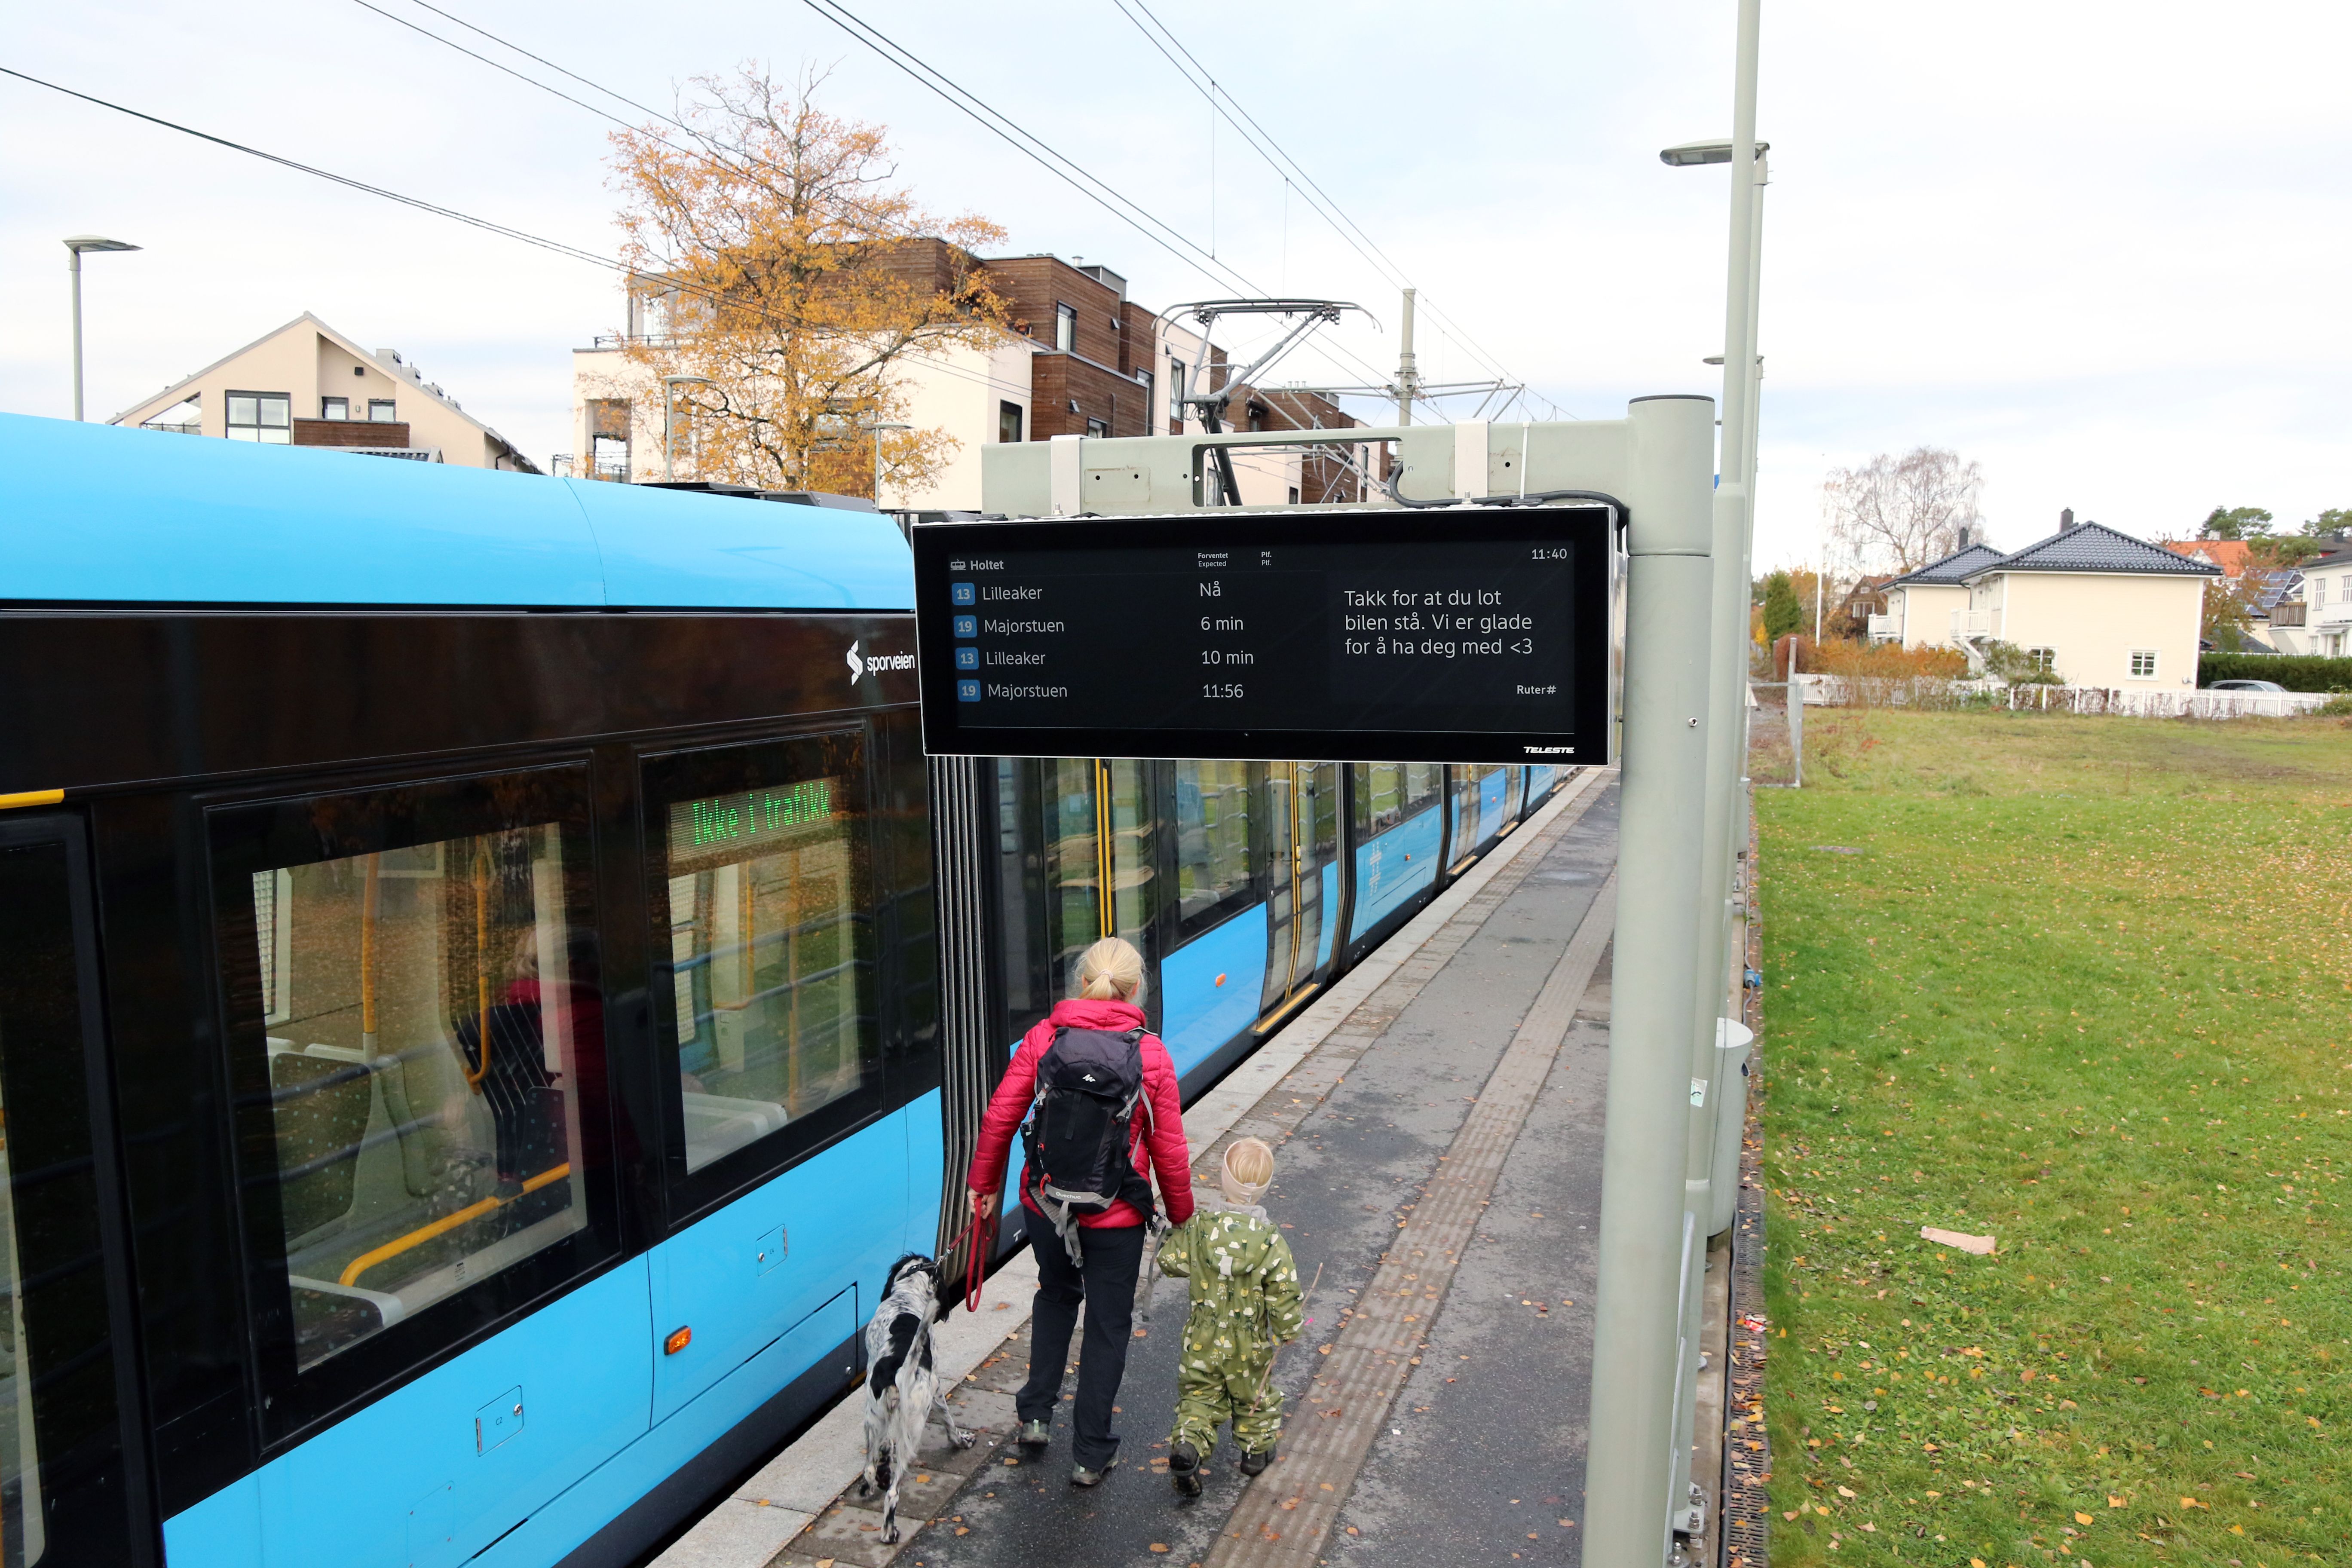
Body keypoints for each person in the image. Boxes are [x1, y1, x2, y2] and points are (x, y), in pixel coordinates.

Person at [967, 937, 1193, 1487]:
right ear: (1136, 988)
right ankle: (1091, 1454)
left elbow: (1001, 1117)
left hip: (1048, 1208)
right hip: (1117, 1219)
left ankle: (1036, 1417)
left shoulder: (1044, 1039)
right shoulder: (1152, 1054)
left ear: (1080, 982)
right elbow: (1169, 1149)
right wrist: (1183, 1217)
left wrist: (984, 1187)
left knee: (1055, 1295)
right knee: (1108, 1328)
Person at [1160, 1137, 1303, 1496]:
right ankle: (1255, 1453)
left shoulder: (1200, 1229)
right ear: (1265, 1188)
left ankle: (1189, 1445)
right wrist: (1288, 1330)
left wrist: (1177, 1233)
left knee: (1199, 1395)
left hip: (1202, 1338)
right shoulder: (1272, 1243)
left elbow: (1170, 1262)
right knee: (1253, 1394)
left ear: (1223, 1180)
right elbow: (1284, 1293)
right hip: (1248, 1343)